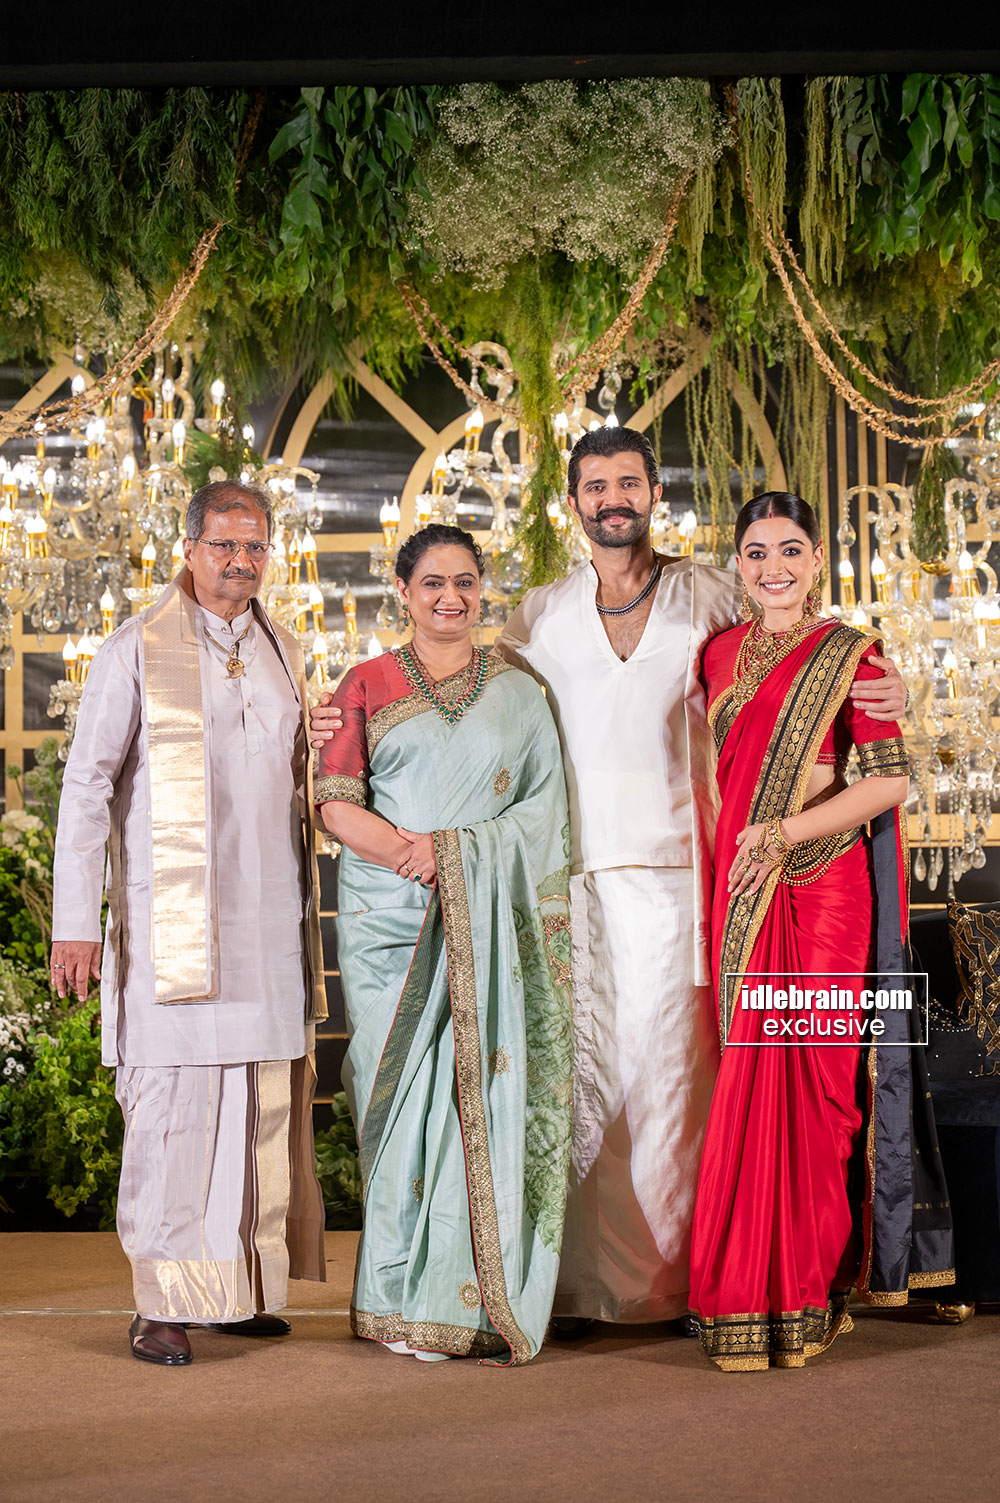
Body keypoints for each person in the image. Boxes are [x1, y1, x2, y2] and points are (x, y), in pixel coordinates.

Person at [310, 427, 906, 1331]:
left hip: (688, 880)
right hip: (567, 881)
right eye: (596, 485)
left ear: (655, 494)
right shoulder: (540, 614)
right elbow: (465, 689)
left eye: (629, 482)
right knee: (580, 1081)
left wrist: (891, 690)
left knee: (677, 1087)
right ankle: (576, 1286)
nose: (613, 498)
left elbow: (794, 655)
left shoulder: (711, 595)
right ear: (573, 502)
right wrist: (340, 716)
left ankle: (689, 1285)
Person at [50, 480, 327, 1367]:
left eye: (254, 545)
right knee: (176, 1112)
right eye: (223, 545)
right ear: (190, 548)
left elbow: (298, 779)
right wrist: (74, 922)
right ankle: (162, 1303)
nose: (240, 561)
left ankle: (231, 1289)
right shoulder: (136, 647)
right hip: (174, 929)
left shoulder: (284, 648)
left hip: (269, 922)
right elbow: (87, 786)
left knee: (257, 1107)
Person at [688, 492, 953, 1371]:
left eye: (792, 549)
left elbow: (887, 783)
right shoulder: (717, 653)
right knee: (748, 1082)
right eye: (758, 551)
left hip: (823, 886)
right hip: (743, 890)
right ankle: (745, 1295)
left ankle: (811, 1287)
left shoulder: (853, 653)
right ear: (739, 563)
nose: (775, 567)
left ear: (817, 559)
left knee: (822, 1091)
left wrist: (783, 833)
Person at [315, 523, 572, 1366]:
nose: (450, 597)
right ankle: (395, 1295)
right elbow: (335, 802)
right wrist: (414, 854)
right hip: (390, 922)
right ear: (404, 591)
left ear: (481, 588)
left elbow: (543, 811)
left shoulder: (521, 692)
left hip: (484, 916)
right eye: (432, 582)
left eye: (464, 581)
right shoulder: (366, 682)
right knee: (397, 1103)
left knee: (475, 1095)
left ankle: (458, 1299)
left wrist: (455, 855)